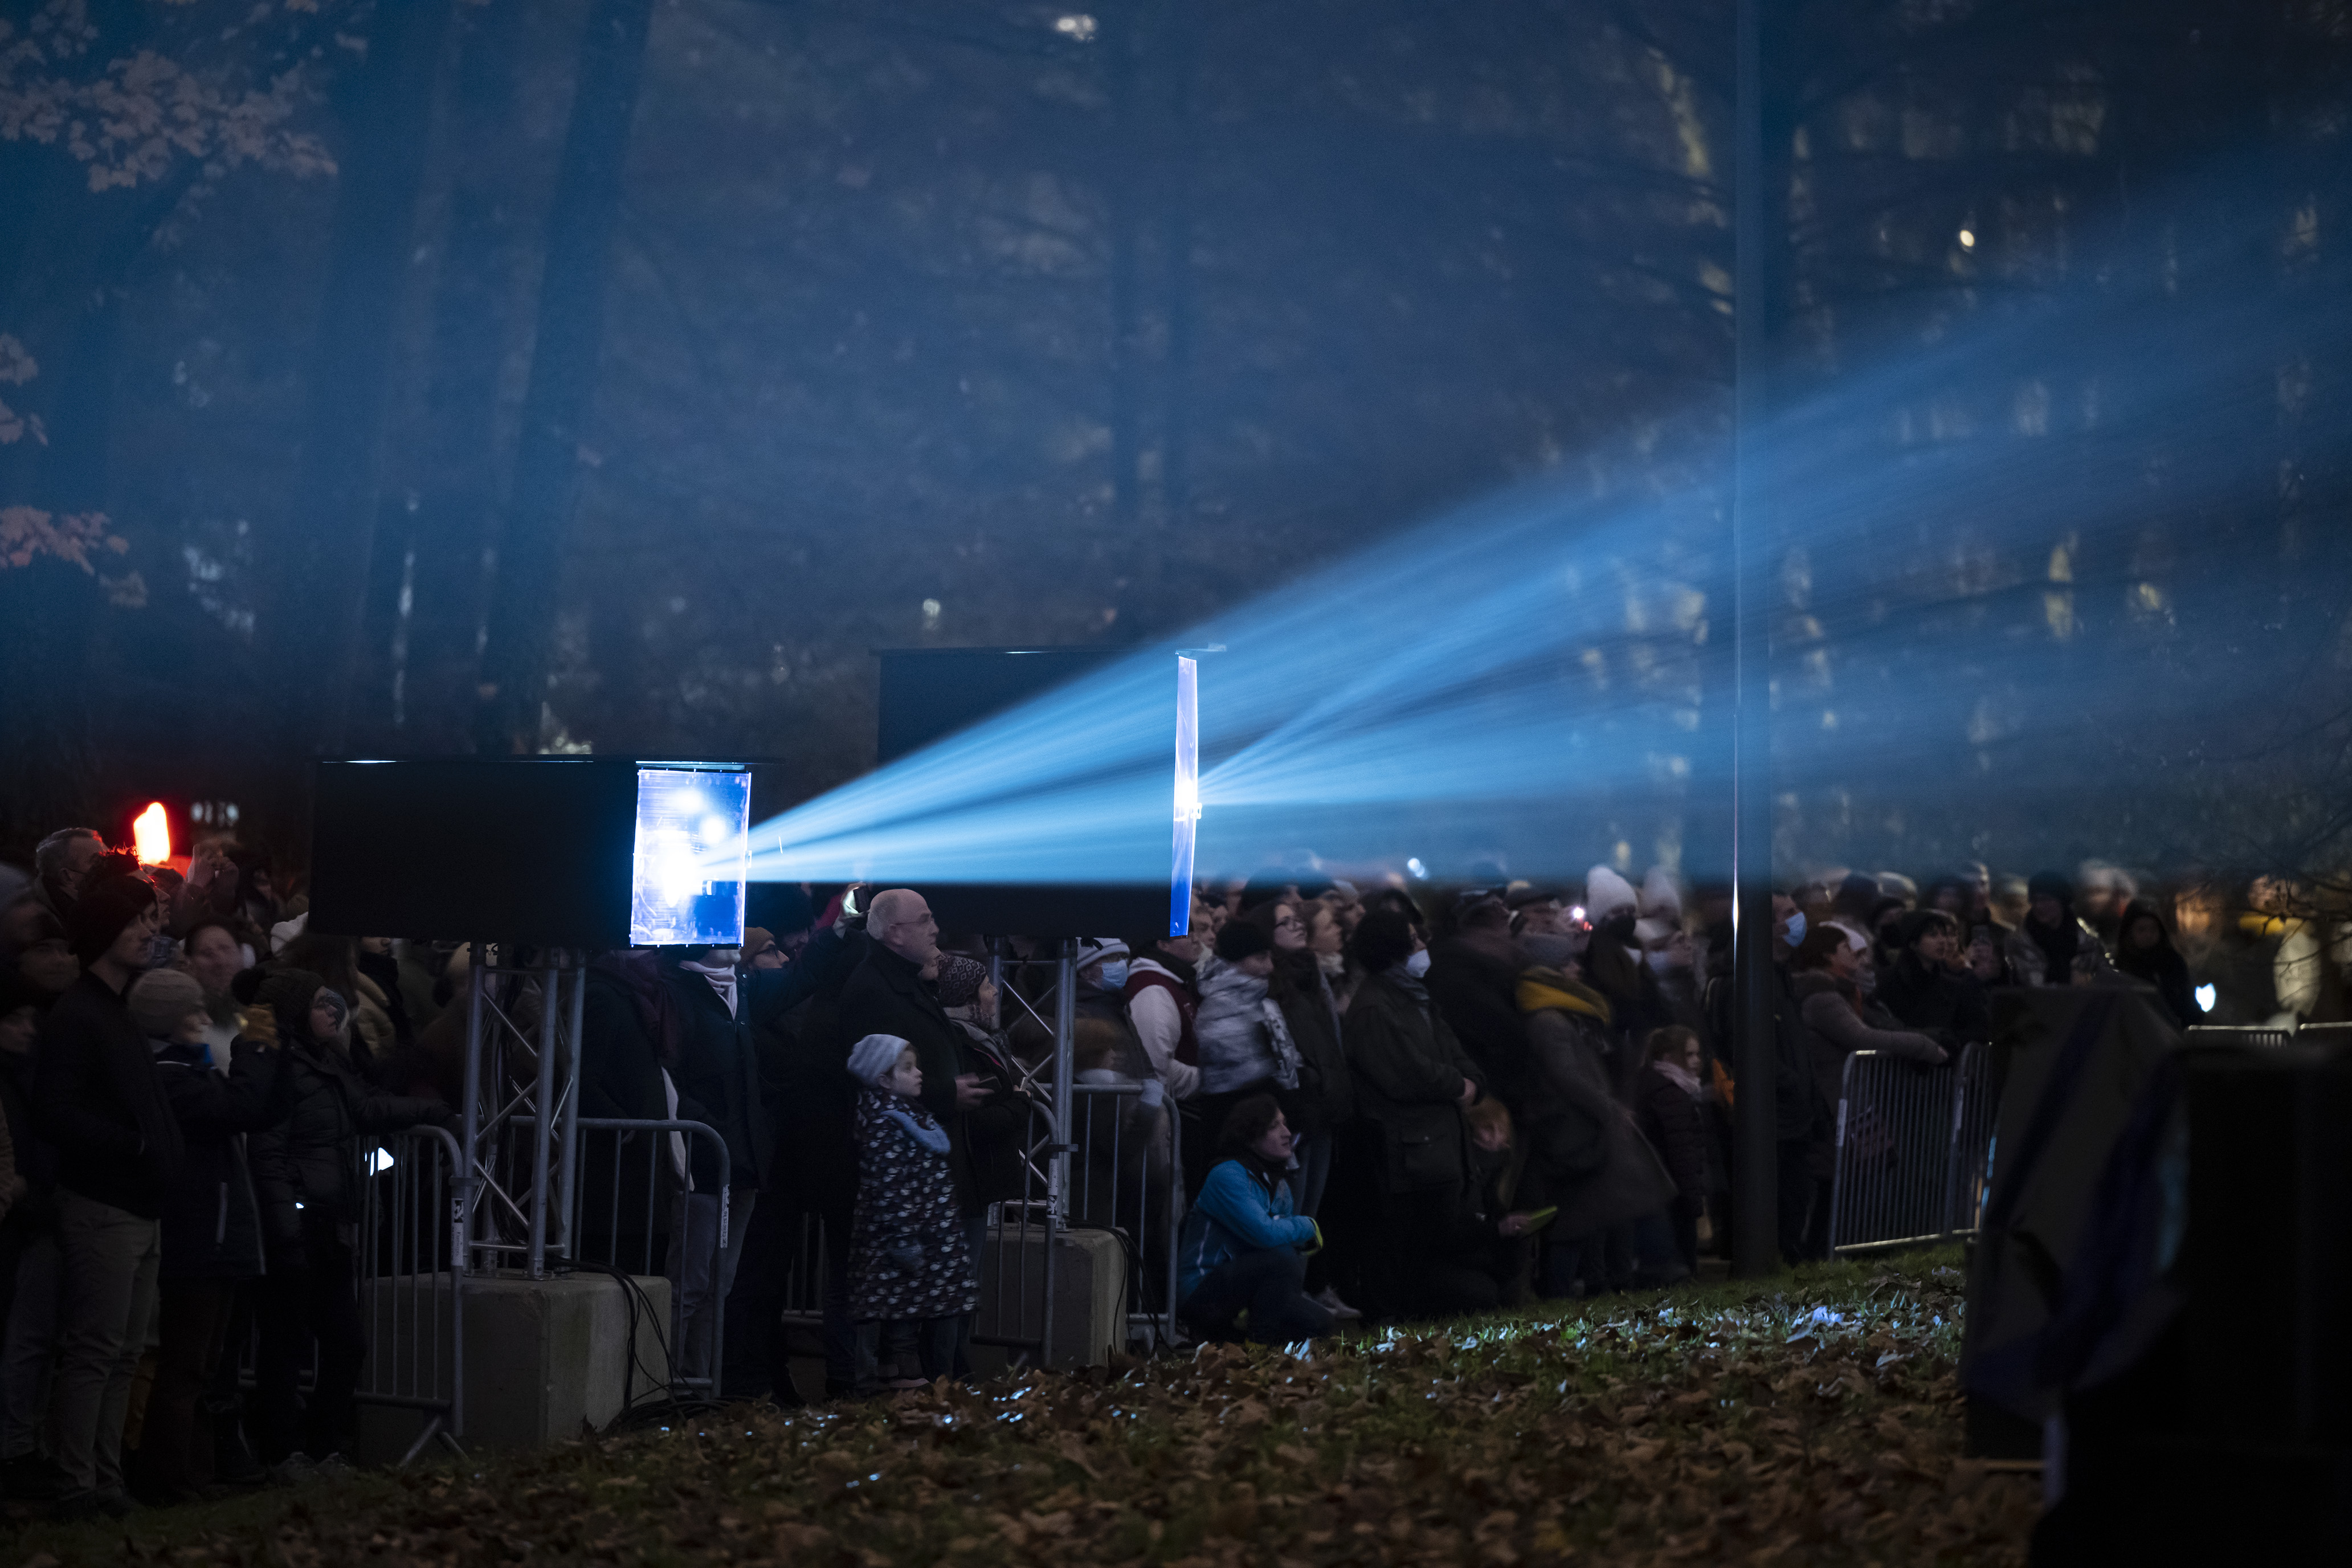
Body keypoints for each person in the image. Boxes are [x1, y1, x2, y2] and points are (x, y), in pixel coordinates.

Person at [245, 967, 449, 1475]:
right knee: (286, 1344)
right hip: (298, 1225)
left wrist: (437, 1111)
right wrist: (284, 1232)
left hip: (329, 1223)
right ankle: (284, 1454)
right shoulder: (276, 1067)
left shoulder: (324, 1063)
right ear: (294, 1011)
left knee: (344, 1342)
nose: (331, 1012)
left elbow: (368, 1109)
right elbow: (267, 1156)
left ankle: (323, 1450)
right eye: (318, 1004)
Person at [35, 856, 182, 1520]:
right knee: (97, 1349)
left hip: (137, 1204)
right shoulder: (79, 1016)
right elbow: (57, 1110)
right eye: (136, 920)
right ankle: (76, 1482)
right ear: (104, 927)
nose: (149, 932)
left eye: (152, 919)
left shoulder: (116, 1012)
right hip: (104, 1205)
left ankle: (102, 1475)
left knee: (123, 1351)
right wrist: (136, 1145)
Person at [129, 968, 285, 1504]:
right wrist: (255, 1051)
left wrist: (261, 1057)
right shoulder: (170, 1077)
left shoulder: (187, 1071)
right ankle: (169, 1479)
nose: (203, 1019)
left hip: (213, 1237)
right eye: (191, 1012)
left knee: (202, 1366)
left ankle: (194, 1474)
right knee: (187, 1366)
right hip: (198, 1239)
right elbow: (238, 1108)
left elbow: (254, 1110)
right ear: (166, 1020)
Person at [835, 889, 996, 1367]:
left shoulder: (903, 981)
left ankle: (932, 1378)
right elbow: (875, 1080)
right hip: (908, 1182)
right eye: (924, 921)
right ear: (895, 933)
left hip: (931, 1167)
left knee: (935, 1299)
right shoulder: (871, 988)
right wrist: (945, 1094)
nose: (935, 930)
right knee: (901, 1313)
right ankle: (894, 1382)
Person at [1341, 909, 1489, 1318]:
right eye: (1413, 940)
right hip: (1404, 1150)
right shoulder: (1375, 1008)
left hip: (1432, 1146)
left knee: (1427, 1242)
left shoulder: (1415, 997)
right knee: (1396, 1243)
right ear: (1392, 949)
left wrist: (1472, 1080)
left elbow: (1451, 1049)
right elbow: (1405, 1072)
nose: (1423, 946)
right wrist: (1458, 1086)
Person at [844, 1034, 975, 1389]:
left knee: (907, 1308)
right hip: (902, 1241)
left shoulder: (908, 1114)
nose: (919, 1074)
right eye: (907, 1068)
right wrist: (904, 1239)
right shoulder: (884, 1122)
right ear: (883, 1079)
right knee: (900, 1312)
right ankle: (900, 1382)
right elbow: (890, 1186)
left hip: (923, 1234)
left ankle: (894, 1380)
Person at [1175, 1094, 1333, 1345]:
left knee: (1319, 1323)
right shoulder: (1227, 1175)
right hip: (1202, 1288)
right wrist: (1307, 1226)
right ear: (1250, 1137)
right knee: (1280, 1259)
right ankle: (1260, 1349)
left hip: (1246, 1287)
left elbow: (1279, 1240)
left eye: (1284, 1123)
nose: (1287, 1133)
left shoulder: (1279, 1186)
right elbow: (1266, 1233)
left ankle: (1235, 1341)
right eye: (1274, 1126)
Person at [0, 970, 64, 1501]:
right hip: (21, 1218)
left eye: (29, 1019)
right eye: (14, 1020)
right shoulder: (18, 1081)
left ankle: (24, 1442)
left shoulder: (31, 1077)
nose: (26, 1030)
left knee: (33, 1339)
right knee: (25, 1340)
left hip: (34, 1215)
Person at [1632, 1027, 1708, 1277]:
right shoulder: (1671, 1095)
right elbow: (1682, 1153)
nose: (1696, 1061)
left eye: (1697, 1054)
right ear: (1667, 1058)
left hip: (1658, 1192)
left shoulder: (1656, 1087)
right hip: (1673, 1194)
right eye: (1688, 1055)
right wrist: (1694, 1202)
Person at [1876, 910, 1992, 1044]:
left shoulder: (1956, 985)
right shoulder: (1891, 982)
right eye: (1933, 935)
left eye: (1944, 934)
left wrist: (1948, 1041)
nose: (1943, 941)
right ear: (1913, 943)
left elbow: (1979, 1029)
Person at [1122, 927, 1203, 1102]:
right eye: (1188, 934)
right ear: (1163, 944)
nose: (1197, 939)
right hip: (1174, 1112)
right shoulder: (1152, 990)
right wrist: (1209, 1078)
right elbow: (1155, 1068)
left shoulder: (1175, 982)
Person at [2006, 871, 2117, 988]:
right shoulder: (2019, 942)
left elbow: (2109, 976)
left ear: (2062, 901)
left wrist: (2089, 981)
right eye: (2035, 900)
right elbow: (2024, 986)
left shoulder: (2087, 939)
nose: (2039, 906)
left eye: (2046, 900)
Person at [2114, 899, 2199, 1028]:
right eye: (2141, 930)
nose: (2148, 935)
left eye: (2153, 930)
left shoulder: (2172, 961)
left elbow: (2187, 999)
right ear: (2130, 933)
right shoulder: (2123, 964)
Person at [30, 830, 105, 924]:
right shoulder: (47, 927)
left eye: (109, 856)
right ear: (67, 877)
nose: (108, 865)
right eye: (97, 862)